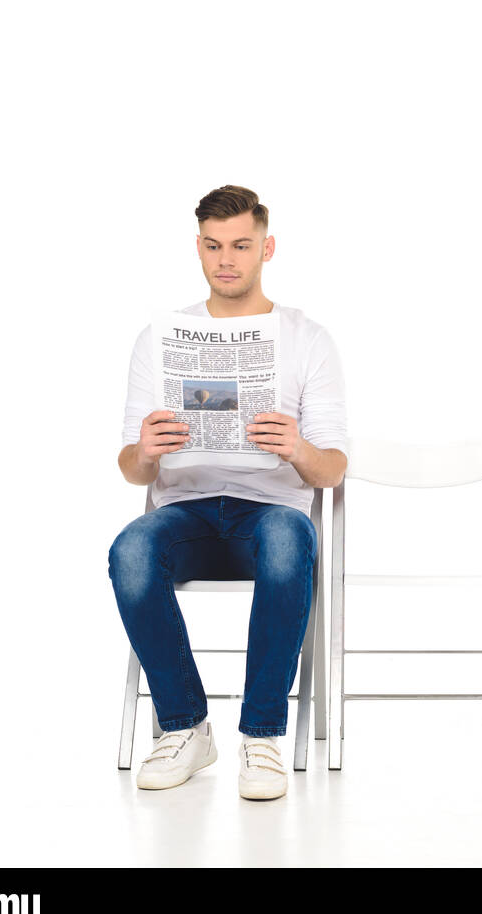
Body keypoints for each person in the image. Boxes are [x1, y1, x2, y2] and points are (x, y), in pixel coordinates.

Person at [109, 186, 347, 800]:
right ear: (198, 248)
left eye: (241, 245)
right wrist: (146, 450)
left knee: (292, 540)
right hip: (185, 515)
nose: (227, 259)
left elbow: (332, 469)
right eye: (213, 246)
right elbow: (133, 471)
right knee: (130, 550)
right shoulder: (161, 339)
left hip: (270, 516)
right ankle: (186, 726)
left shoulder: (308, 338)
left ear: (266, 247)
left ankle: (262, 736)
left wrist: (297, 448)